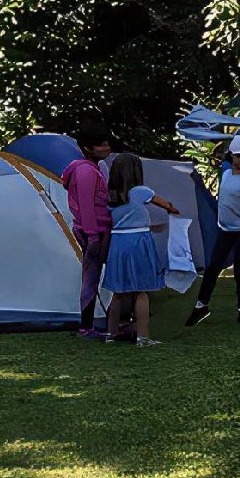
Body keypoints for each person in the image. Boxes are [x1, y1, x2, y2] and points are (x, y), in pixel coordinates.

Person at [101, 153, 178, 346]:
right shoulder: (141, 191)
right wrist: (173, 210)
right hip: (139, 242)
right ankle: (142, 336)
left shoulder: (110, 196)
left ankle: (111, 334)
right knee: (141, 292)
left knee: (118, 292)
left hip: (118, 242)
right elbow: (164, 204)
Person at [187, 135, 240, 326]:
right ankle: (201, 305)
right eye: (239, 155)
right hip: (225, 230)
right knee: (212, 267)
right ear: (231, 156)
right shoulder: (226, 174)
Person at [61, 125, 115, 337]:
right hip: (94, 230)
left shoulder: (93, 168)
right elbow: (86, 205)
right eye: (101, 144)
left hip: (97, 229)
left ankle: (94, 322)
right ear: (88, 148)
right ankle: (86, 325)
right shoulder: (85, 171)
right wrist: (92, 234)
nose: (106, 147)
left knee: (93, 274)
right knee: (91, 275)